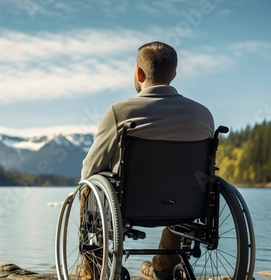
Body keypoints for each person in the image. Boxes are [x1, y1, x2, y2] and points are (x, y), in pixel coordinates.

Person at [80, 41, 215, 280]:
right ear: (173, 75)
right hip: (187, 205)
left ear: (139, 73)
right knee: (183, 189)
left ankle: (94, 270)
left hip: (129, 205)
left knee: (87, 190)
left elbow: (91, 169)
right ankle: (164, 269)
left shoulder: (121, 112)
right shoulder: (202, 114)